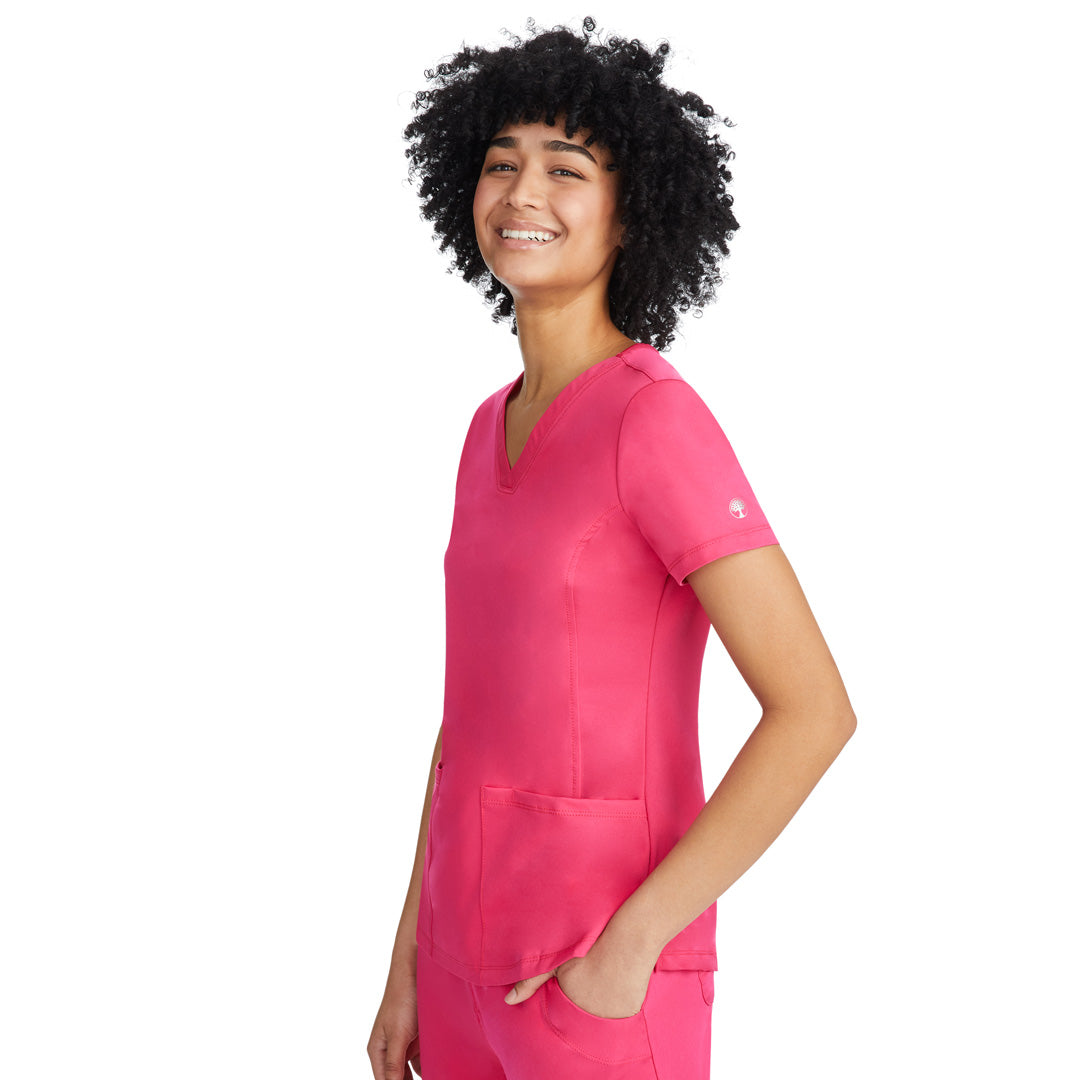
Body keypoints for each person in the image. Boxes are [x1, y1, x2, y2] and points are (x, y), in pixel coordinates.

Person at [368, 18, 857, 1080]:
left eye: (566, 169)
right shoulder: (483, 429)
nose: (523, 193)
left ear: (633, 212)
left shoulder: (653, 419)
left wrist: (634, 946)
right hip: (457, 971)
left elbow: (815, 711)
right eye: (501, 163)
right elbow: (467, 723)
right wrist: (407, 959)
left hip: (592, 976)